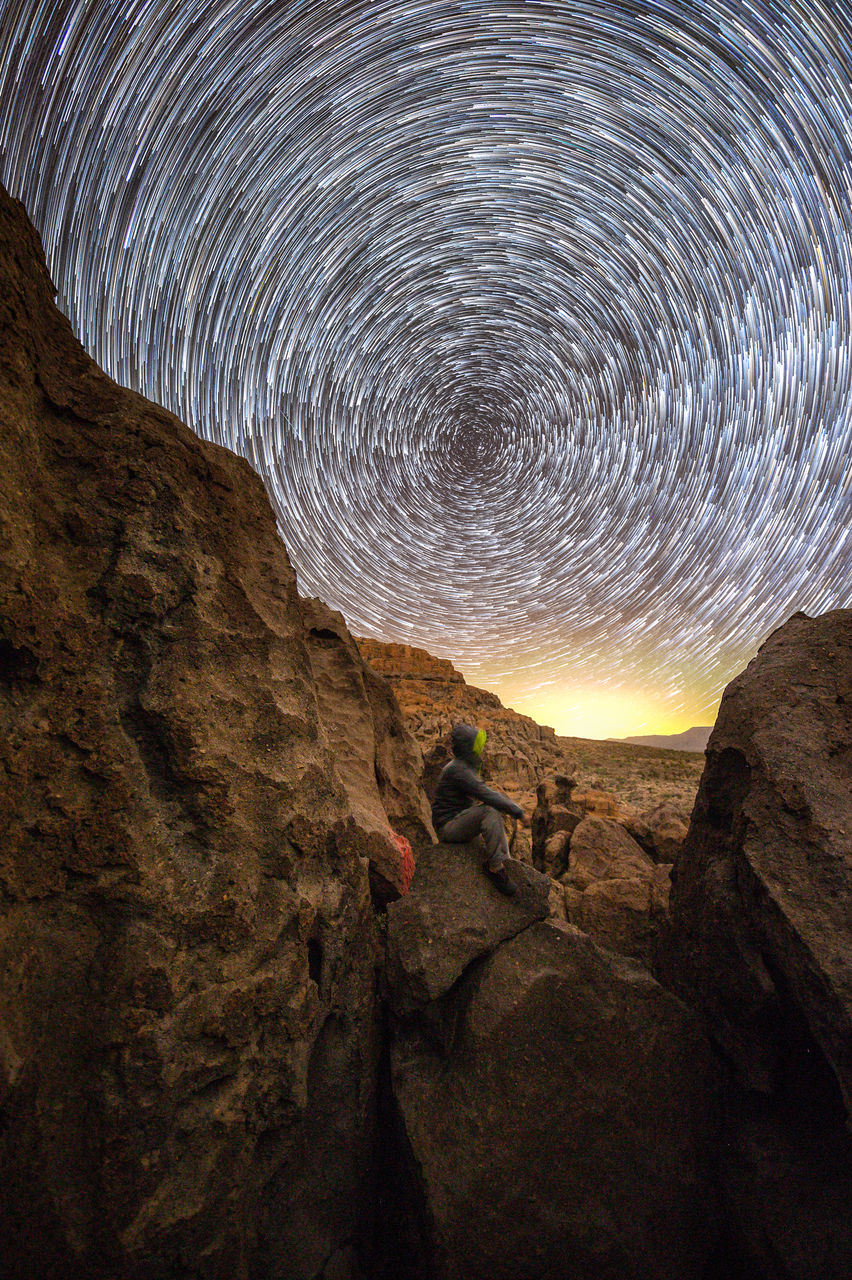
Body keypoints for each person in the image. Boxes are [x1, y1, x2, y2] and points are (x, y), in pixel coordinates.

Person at [431, 723, 524, 895]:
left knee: (488, 811)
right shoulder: (459, 769)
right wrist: (516, 810)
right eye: (476, 746)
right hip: (448, 827)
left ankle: (504, 862)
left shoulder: (460, 766)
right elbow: (485, 793)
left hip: (454, 820)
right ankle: (496, 868)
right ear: (468, 748)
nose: (479, 750)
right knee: (489, 811)